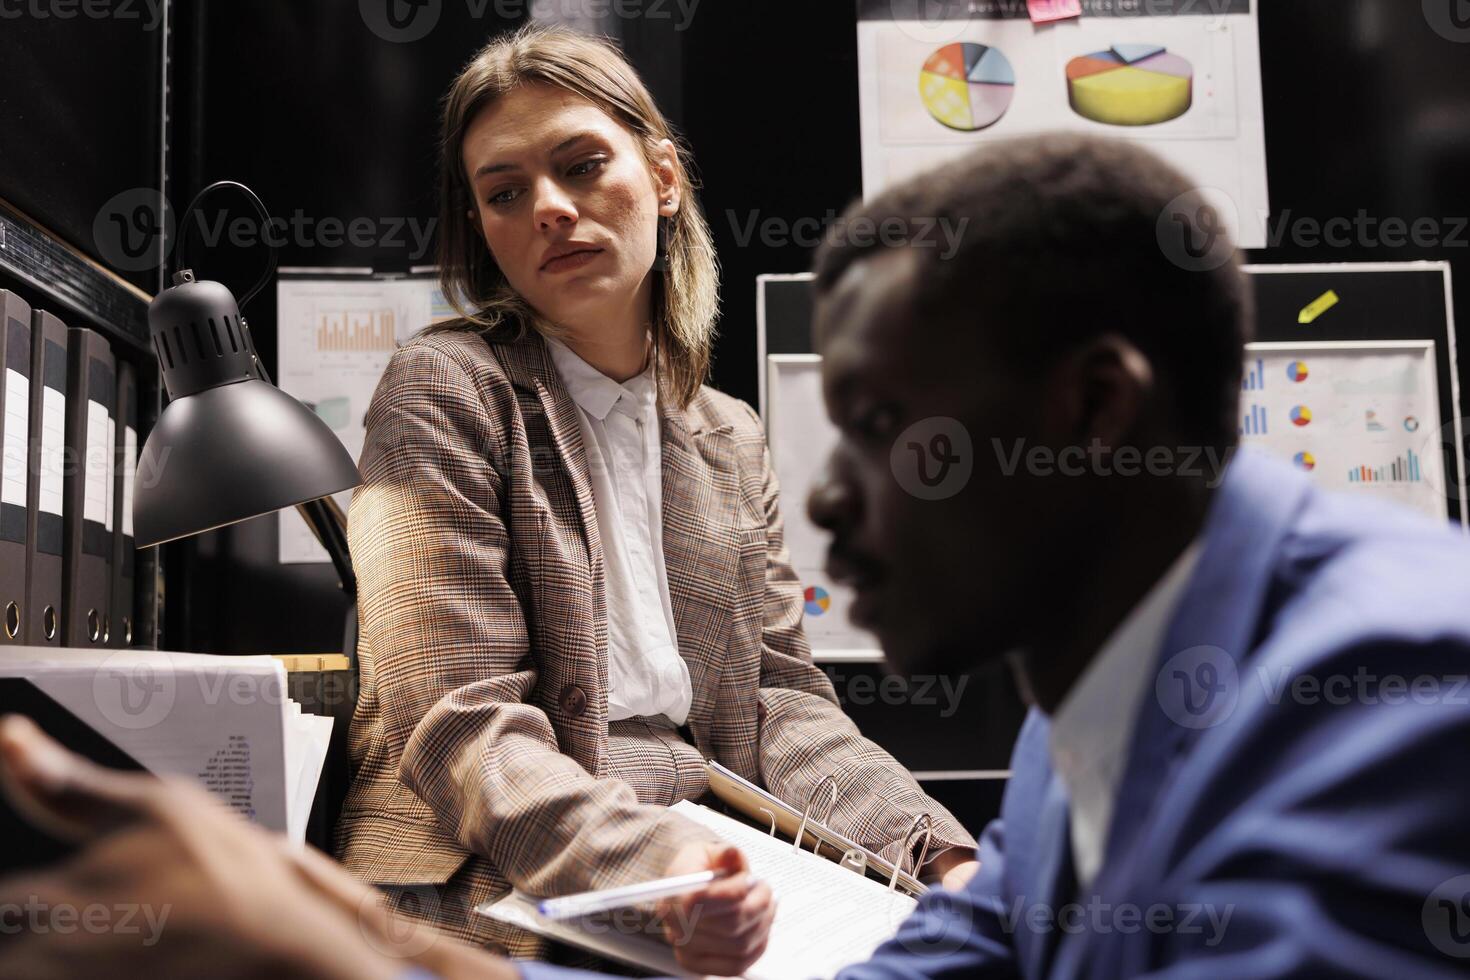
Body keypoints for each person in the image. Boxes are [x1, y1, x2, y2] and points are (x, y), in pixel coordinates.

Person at [6, 132, 1470, 979]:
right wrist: (358, 937)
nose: (830, 505)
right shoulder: (1080, 731)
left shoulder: (1396, 689)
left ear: (1094, 410)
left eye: (895, 430)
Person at [335, 22, 973, 974]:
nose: (549, 207)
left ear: (664, 179)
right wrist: (659, 865)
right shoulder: (443, 387)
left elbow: (780, 700)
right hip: (486, 881)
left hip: (717, 853)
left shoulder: (726, 430)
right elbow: (458, 722)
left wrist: (934, 852)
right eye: (505, 193)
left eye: (582, 165)